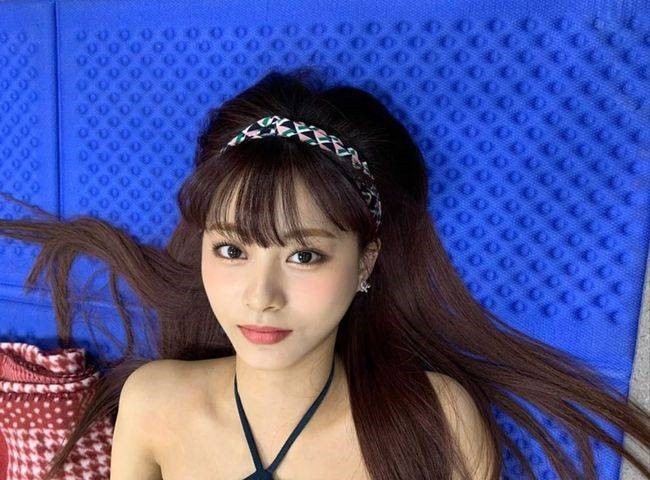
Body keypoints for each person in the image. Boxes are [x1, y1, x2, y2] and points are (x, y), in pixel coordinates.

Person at [0, 66, 648, 480]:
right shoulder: (153, 403)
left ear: (365, 261)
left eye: (304, 255)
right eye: (232, 250)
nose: (261, 296)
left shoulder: (436, 423)